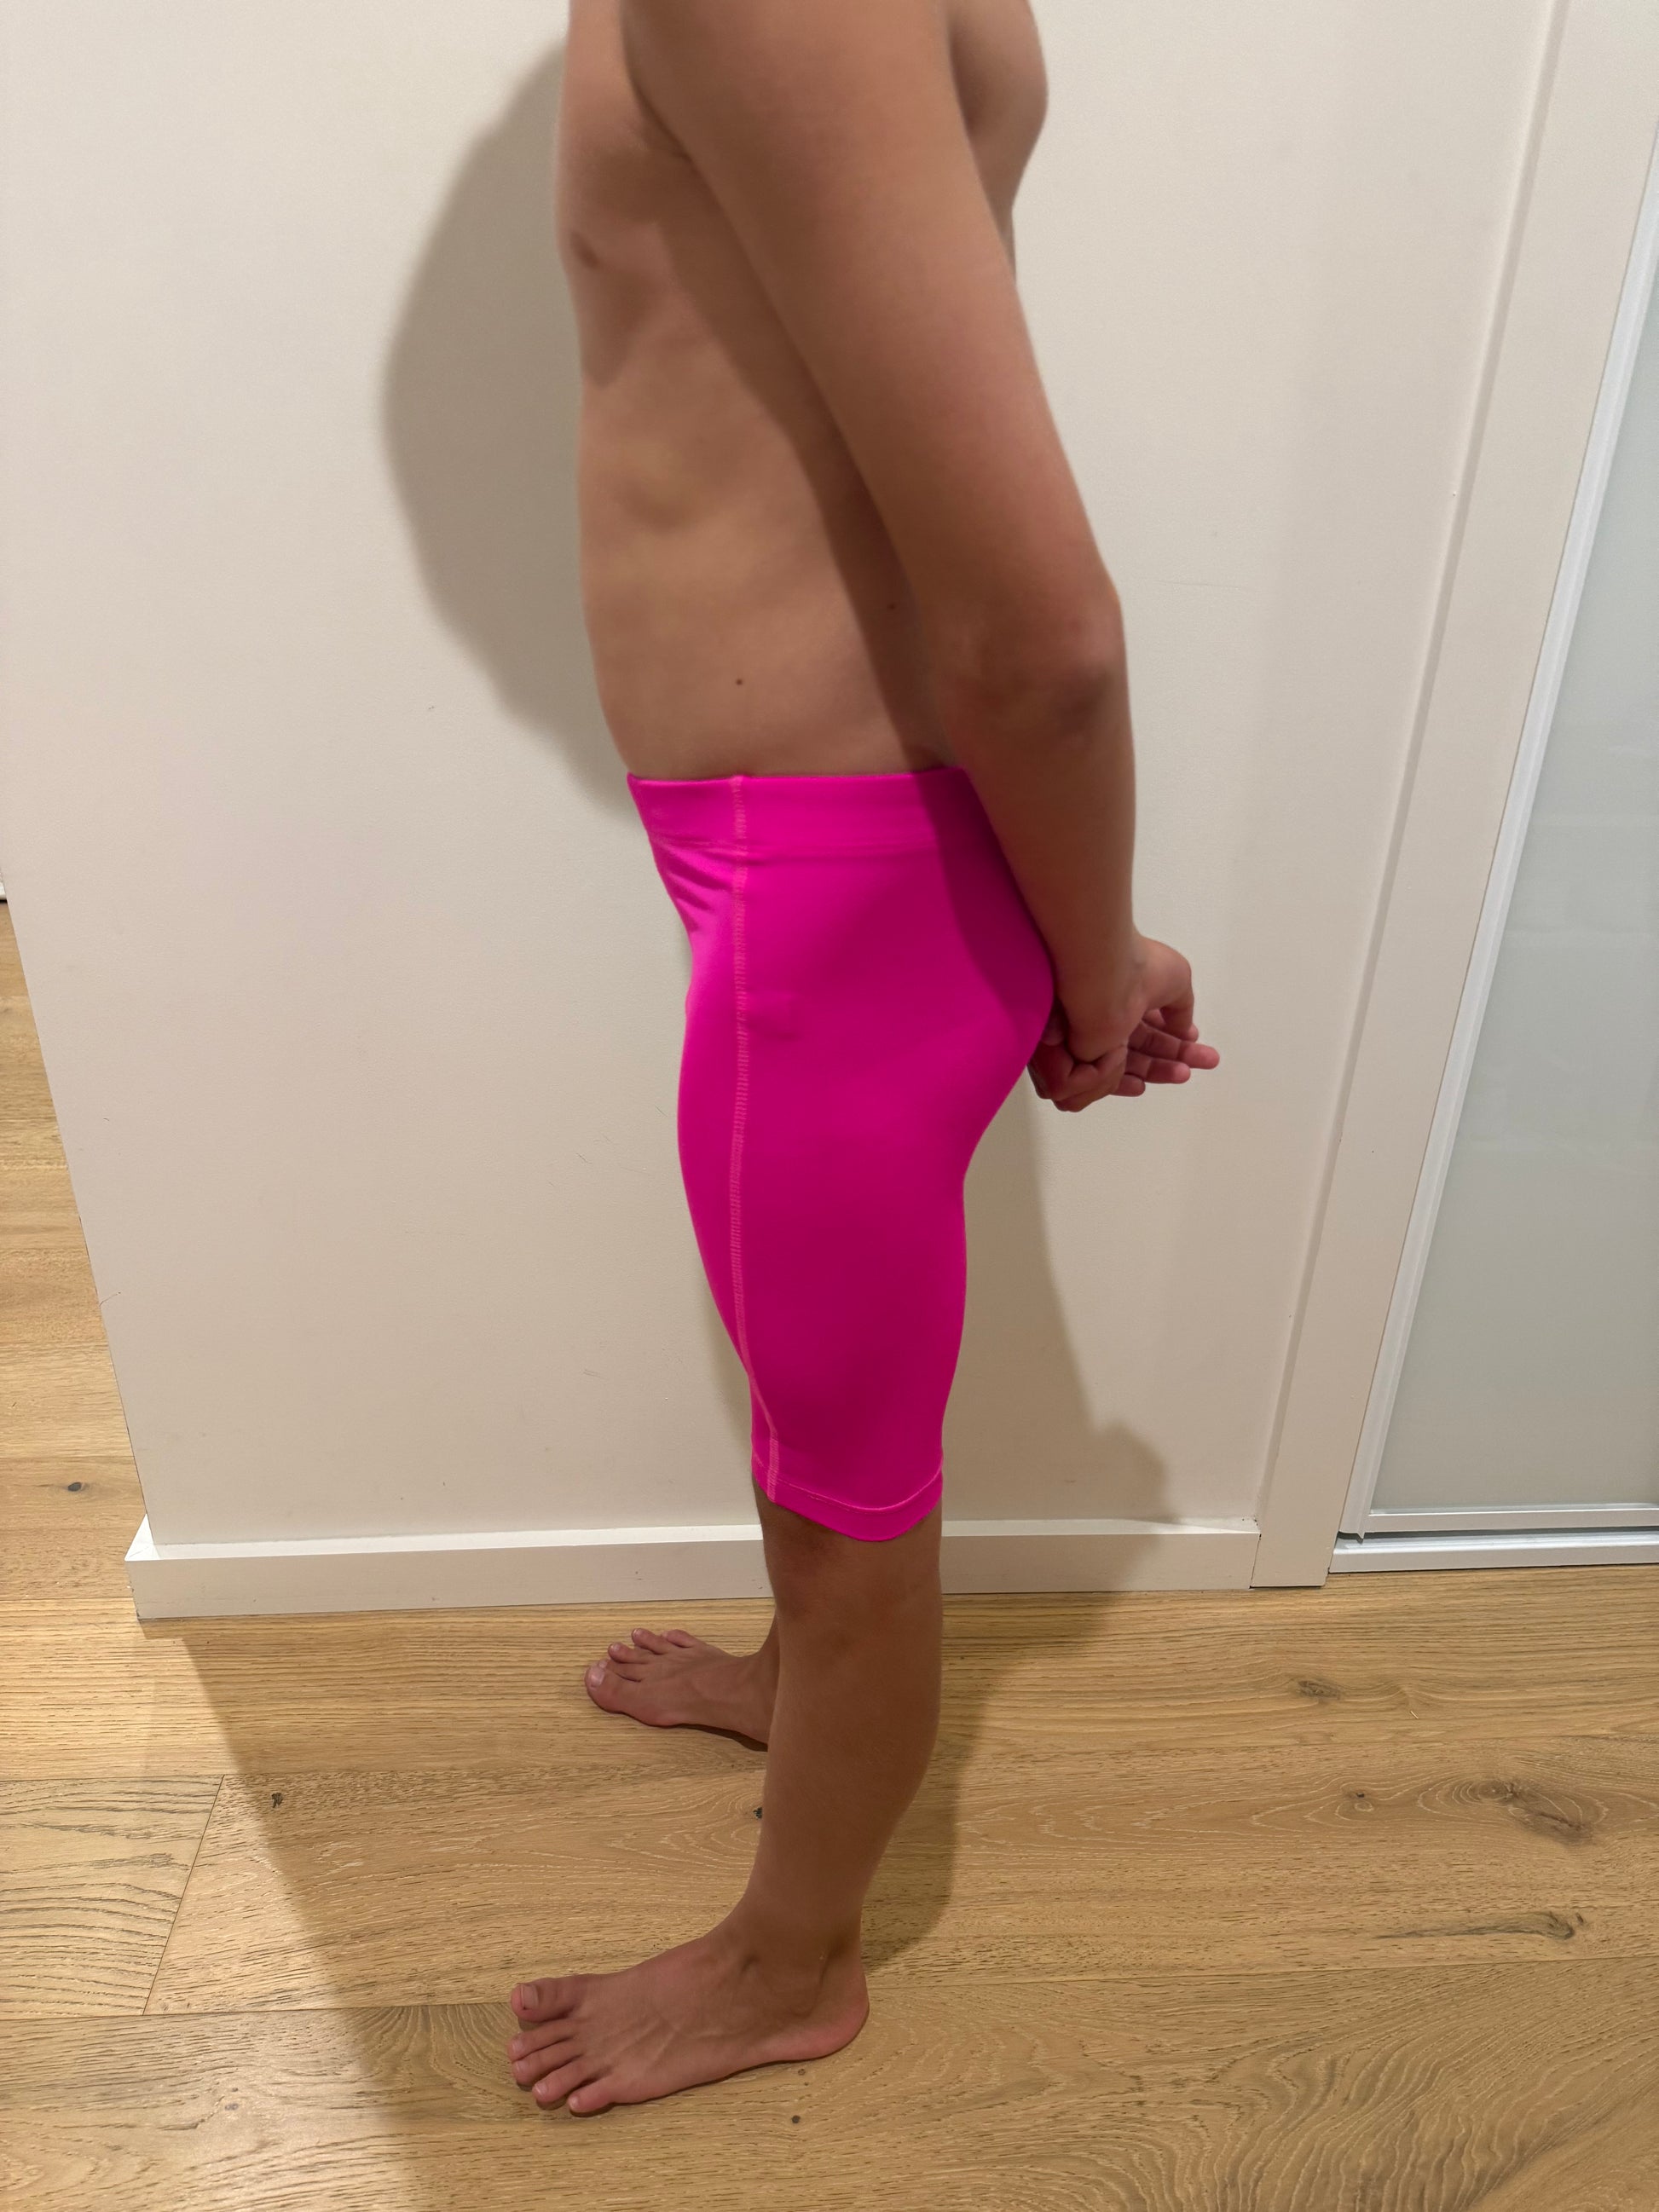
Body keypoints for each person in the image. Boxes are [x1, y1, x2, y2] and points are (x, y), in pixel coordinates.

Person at [506, 0, 1220, 2116]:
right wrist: (1074, 934)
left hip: (834, 898)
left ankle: (788, 1958)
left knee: (848, 1505)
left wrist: (1087, 968)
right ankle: (787, 1687)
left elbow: (1048, 644)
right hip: (853, 872)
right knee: (817, 1428)